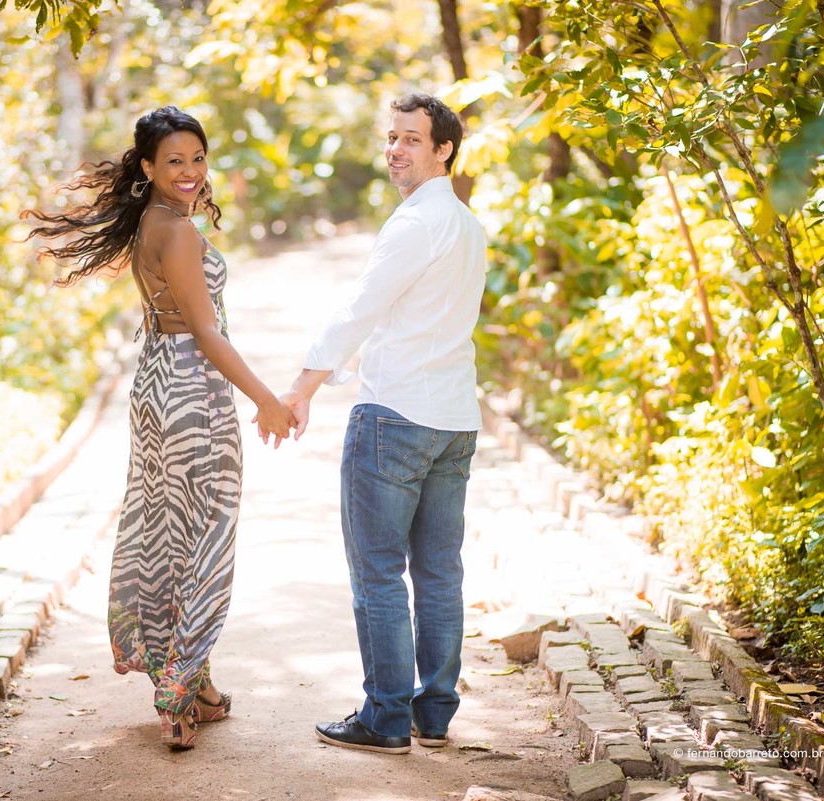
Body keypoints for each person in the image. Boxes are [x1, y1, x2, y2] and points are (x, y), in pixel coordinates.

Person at [26, 106, 297, 750]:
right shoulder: (179, 233)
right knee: (206, 538)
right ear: (147, 167)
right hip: (192, 394)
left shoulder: (153, 221)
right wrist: (266, 400)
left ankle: (197, 688)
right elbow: (205, 332)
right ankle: (176, 694)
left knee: (170, 534)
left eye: (197, 159)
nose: (189, 171)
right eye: (174, 161)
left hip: (154, 388)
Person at [275, 93, 487, 755]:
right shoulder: (469, 226)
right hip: (454, 421)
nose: (395, 149)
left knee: (377, 573)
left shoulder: (413, 224)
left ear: (444, 148)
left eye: (411, 139)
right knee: (439, 572)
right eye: (391, 138)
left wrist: (303, 384)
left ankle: (387, 716)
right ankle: (434, 713)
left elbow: (360, 308)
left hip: (394, 415)